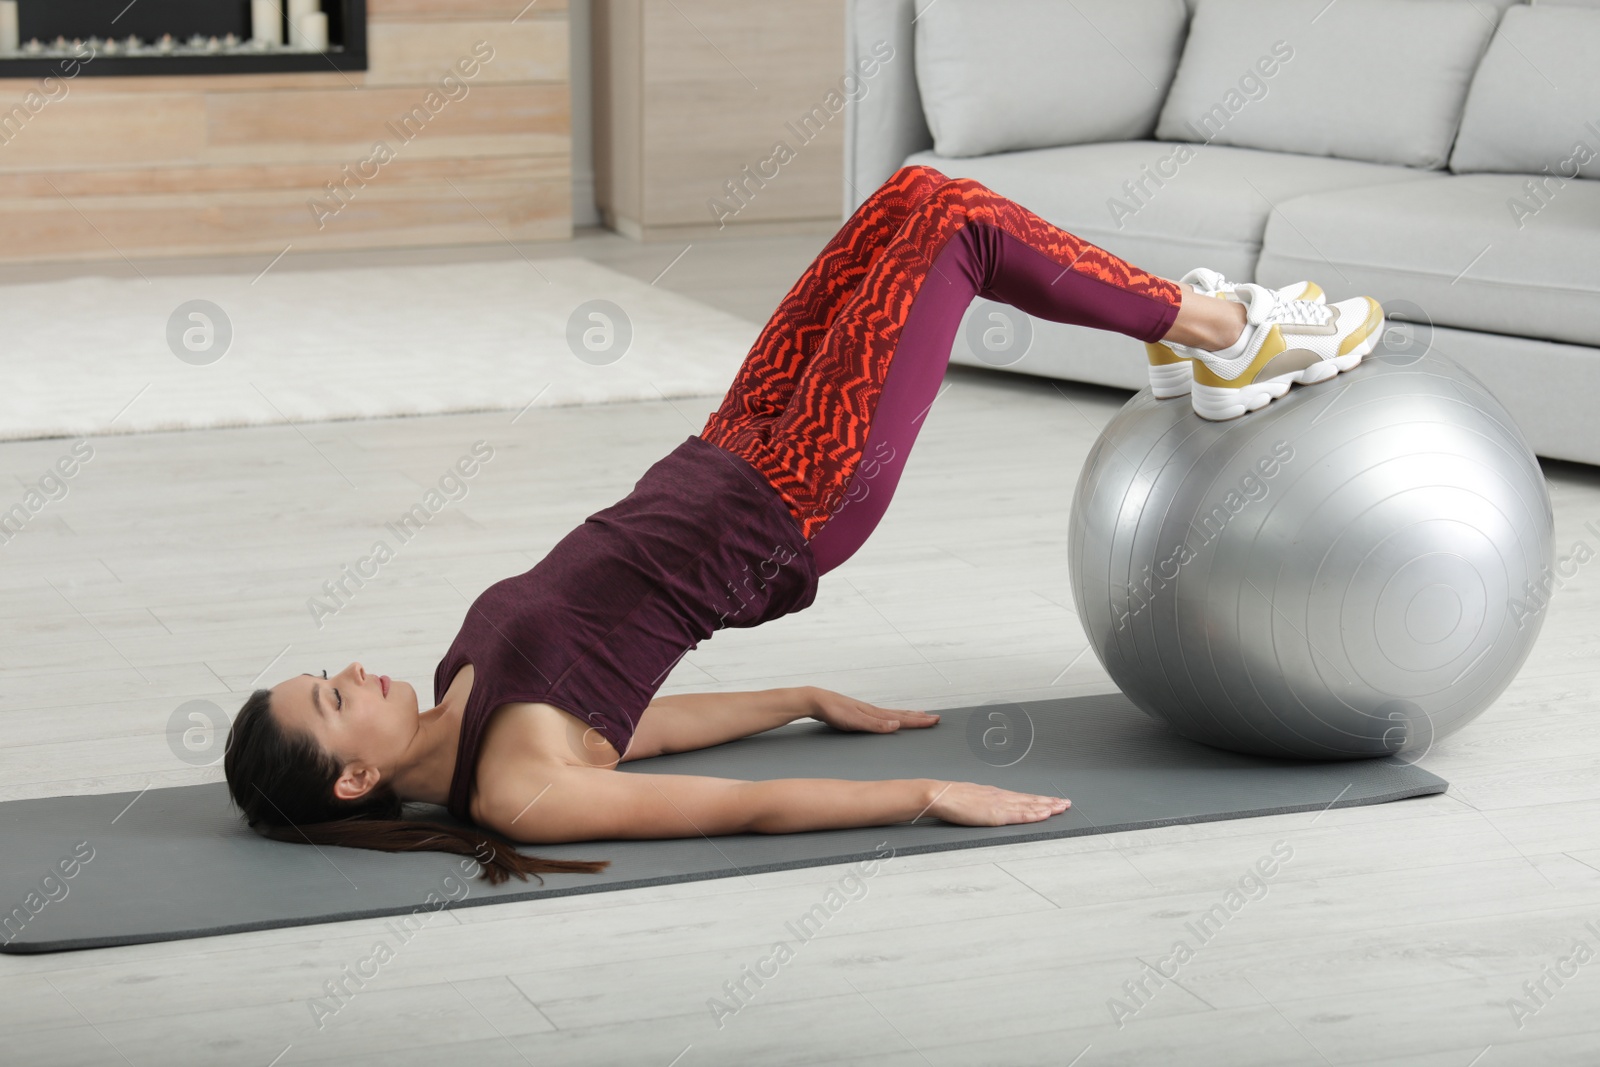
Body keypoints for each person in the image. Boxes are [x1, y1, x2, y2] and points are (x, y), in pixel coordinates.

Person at [224, 165, 1385, 884]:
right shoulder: (521, 792)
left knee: (911, 194)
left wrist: (799, 697)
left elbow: (638, 723)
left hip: (727, 448)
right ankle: (1229, 331)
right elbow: (738, 808)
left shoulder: (458, 682)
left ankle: (1214, 332)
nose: (355, 671)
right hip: (798, 498)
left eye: (327, 671)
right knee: (961, 232)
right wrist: (925, 794)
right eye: (333, 698)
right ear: (352, 778)